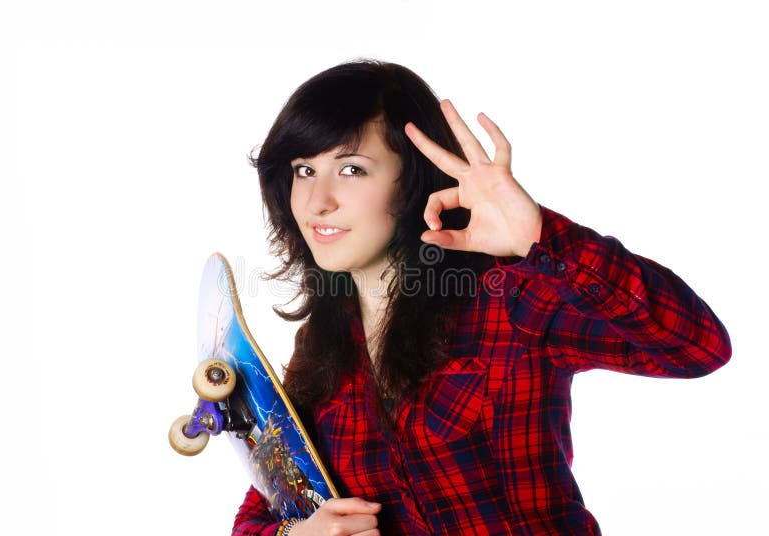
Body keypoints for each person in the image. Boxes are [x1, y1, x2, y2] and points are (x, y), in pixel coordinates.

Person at [231, 58, 731, 536]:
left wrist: (540, 235)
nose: (318, 201)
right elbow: (264, 504)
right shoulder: (320, 344)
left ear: (413, 179)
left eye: (352, 169)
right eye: (303, 169)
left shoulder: (511, 298)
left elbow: (697, 346)